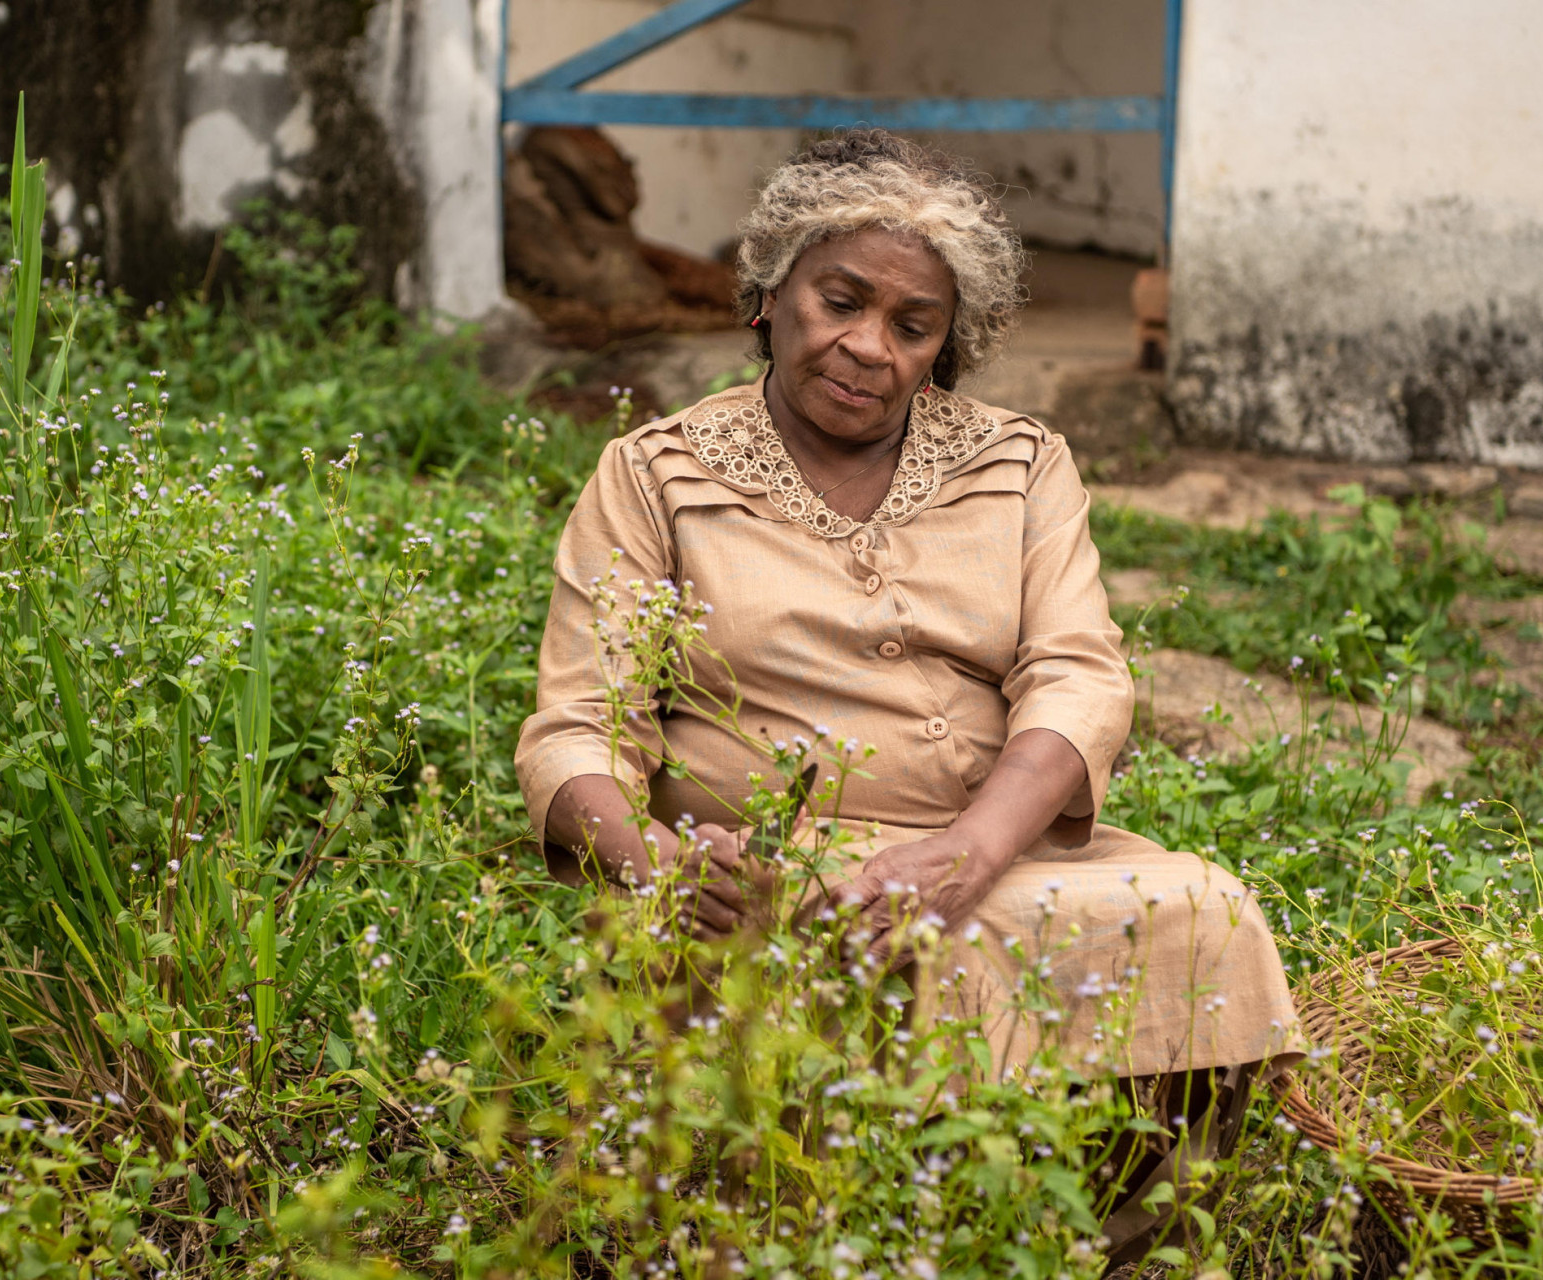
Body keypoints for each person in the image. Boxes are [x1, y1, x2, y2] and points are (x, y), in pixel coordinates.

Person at [513, 129, 1300, 1257]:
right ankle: (809, 1231)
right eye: (840, 301)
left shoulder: (1018, 461)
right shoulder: (656, 474)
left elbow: (1078, 674)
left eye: (913, 325)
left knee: (1201, 913)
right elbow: (582, 721)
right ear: (770, 293)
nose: (867, 346)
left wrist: (971, 850)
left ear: (946, 346)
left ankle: (1098, 1239)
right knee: (797, 962)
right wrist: (662, 872)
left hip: (995, 854)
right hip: (770, 873)